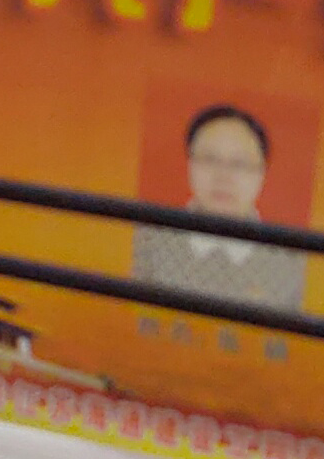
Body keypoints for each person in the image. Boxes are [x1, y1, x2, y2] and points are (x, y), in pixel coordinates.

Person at [127, 106, 306, 316]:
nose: (223, 176)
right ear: (189, 165)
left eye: (239, 164)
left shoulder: (291, 261)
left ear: (262, 173)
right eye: (209, 159)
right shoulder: (147, 239)